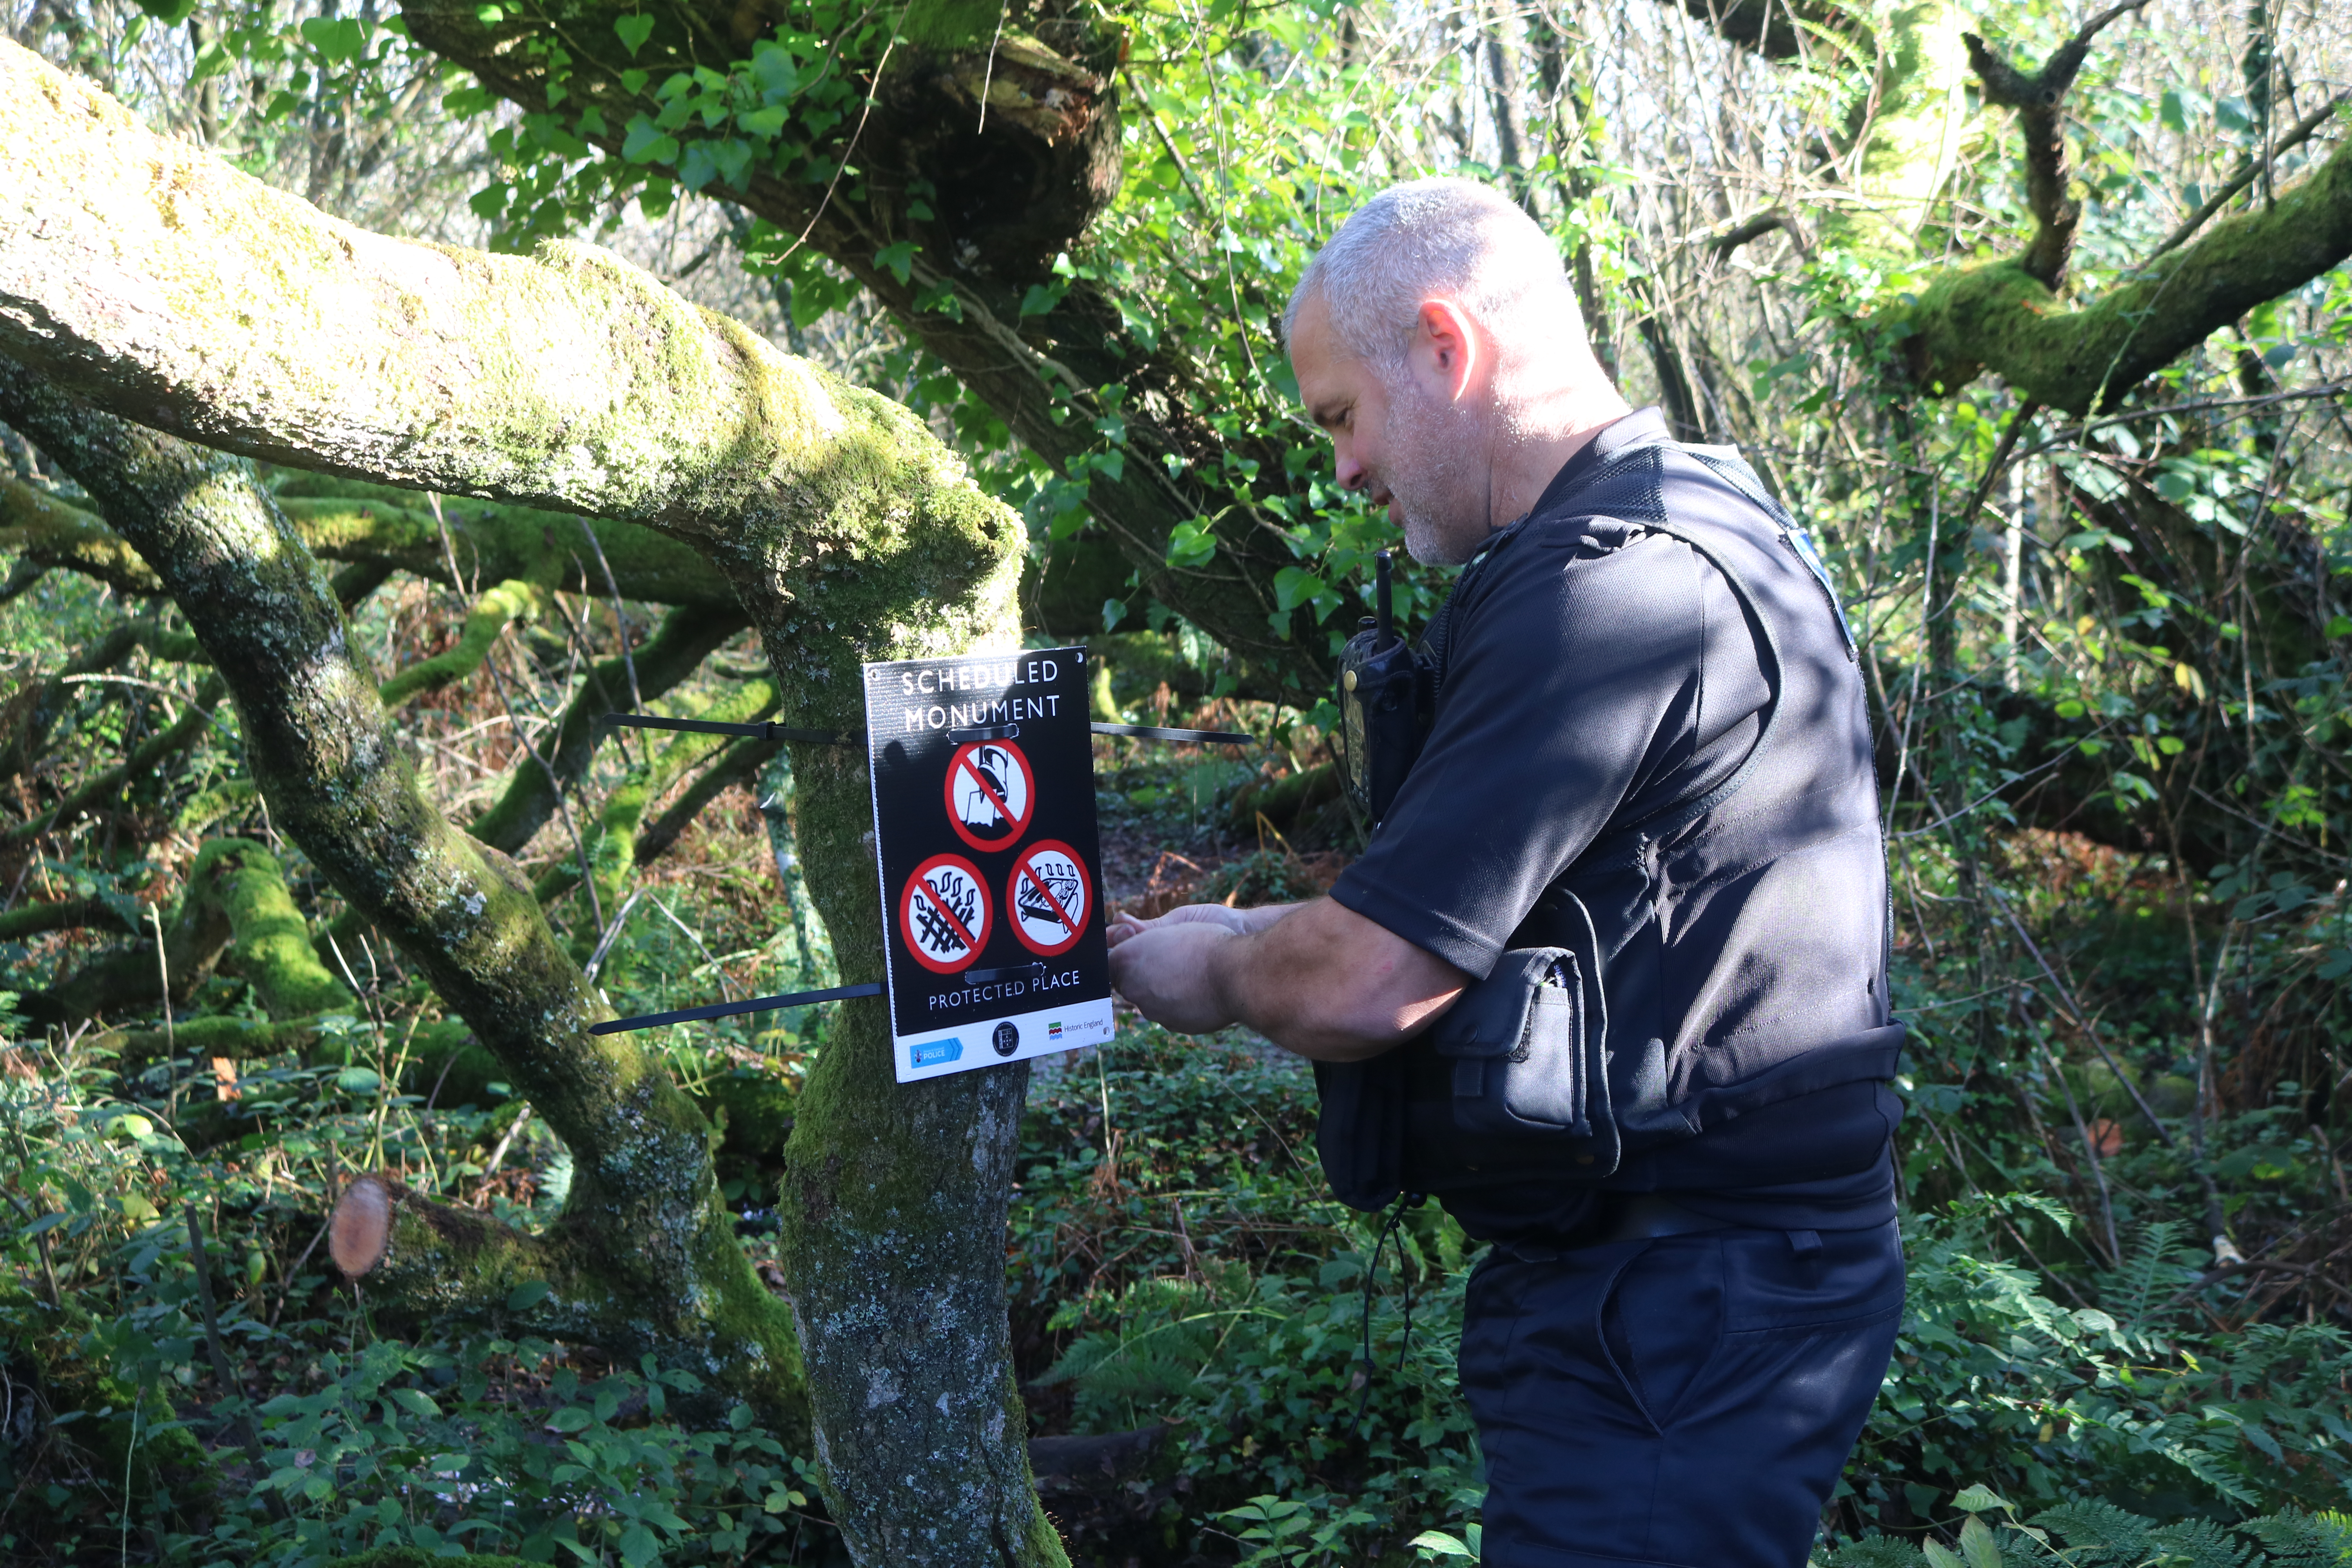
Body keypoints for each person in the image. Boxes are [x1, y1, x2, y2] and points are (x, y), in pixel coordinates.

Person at [1106, 177, 1907, 1568]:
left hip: (1679, 1311)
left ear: (1443, 344)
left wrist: (1218, 960)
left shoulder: (1613, 591)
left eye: (1341, 417)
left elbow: (1370, 979)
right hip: (1706, 1290)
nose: (1343, 470)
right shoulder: (1710, 516)